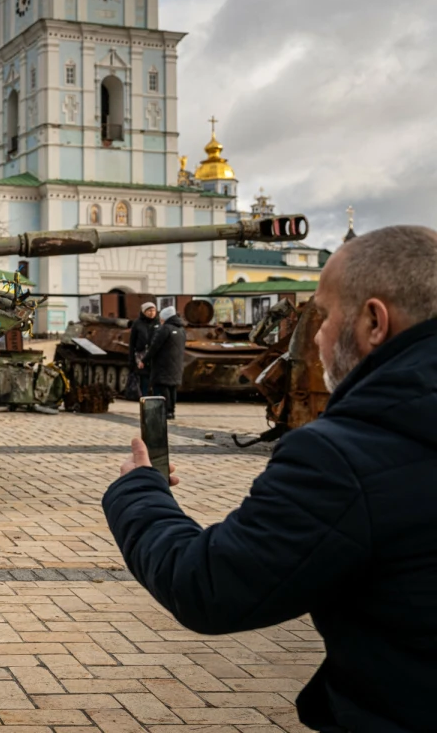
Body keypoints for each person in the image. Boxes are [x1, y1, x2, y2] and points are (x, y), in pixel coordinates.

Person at [101, 225, 437, 731]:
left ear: (373, 322)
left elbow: (209, 584)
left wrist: (139, 491)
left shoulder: (344, 456)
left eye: (322, 316)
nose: (317, 336)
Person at [142, 304, 185, 418]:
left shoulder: (164, 329)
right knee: (172, 388)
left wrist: (144, 360)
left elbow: (154, 347)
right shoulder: (181, 329)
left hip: (163, 364)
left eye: (161, 318)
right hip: (176, 364)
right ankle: (172, 411)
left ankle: (166, 412)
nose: (160, 320)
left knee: (163, 387)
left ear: (165, 318)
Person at [129, 301, 159, 397]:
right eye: (149, 310)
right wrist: (132, 360)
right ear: (144, 312)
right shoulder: (137, 323)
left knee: (156, 380)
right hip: (141, 355)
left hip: (155, 356)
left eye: (153, 310)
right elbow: (132, 342)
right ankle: (144, 398)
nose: (152, 312)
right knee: (144, 379)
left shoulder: (158, 323)